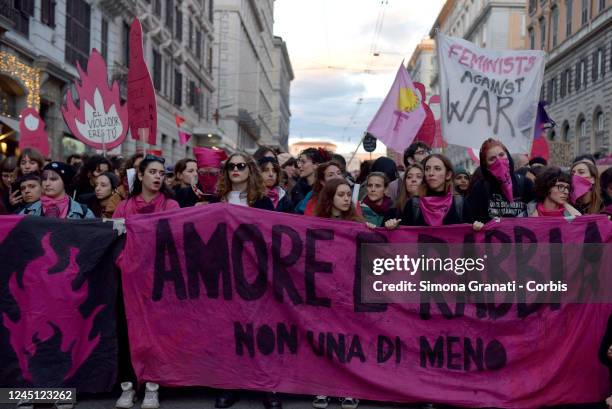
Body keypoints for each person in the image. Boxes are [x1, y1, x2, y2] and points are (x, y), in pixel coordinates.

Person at [385, 154, 475, 228]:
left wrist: (477, 228)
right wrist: (393, 228)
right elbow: (405, 242)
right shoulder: (413, 204)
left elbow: (470, 242)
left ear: (448, 175)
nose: (431, 173)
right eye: (427, 169)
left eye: (437, 169)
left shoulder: (460, 203)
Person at [467, 138, 535, 222]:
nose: (499, 161)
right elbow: (473, 219)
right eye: (492, 159)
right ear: (486, 165)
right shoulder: (480, 188)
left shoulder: (526, 184)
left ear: (508, 156)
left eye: (501, 155)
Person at [113, 155, 179, 218]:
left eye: (161, 173)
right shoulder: (124, 206)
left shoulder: (171, 206)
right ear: (140, 176)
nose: (158, 176)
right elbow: (114, 228)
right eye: (152, 172)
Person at [20, 162, 94, 219]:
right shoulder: (28, 211)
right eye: (44, 179)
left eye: (53, 179)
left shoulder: (84, 213)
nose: (47, 183)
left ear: (64, 182)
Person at [290, 148, 329, 212]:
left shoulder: (324, 189)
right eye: (299, 162)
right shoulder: (296, 189)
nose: (299, 165)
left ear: (315, 165)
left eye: (303, 162)